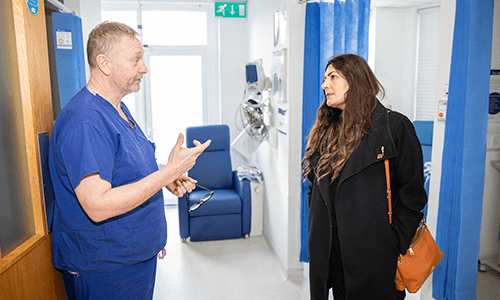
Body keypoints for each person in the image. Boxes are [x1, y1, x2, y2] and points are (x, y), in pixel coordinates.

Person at [48, 21, 211, 299]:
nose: (144, 68)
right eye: (135, 59)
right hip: (105, 268)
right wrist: (167, 172)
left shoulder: (117, 108)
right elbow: (97, 206)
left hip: (131, 259)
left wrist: (166, 177)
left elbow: (123, 170)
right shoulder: (85, 121)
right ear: (105, 63)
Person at [301, 54, 427, 300]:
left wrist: (393, 243)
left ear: (356, 81)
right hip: (331, 249)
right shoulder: (326, 129)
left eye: (333, 77)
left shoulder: (395, 127)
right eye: (325, 78)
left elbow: (412, 196)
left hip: (374, 253)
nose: (324, 85)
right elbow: (314, 188)